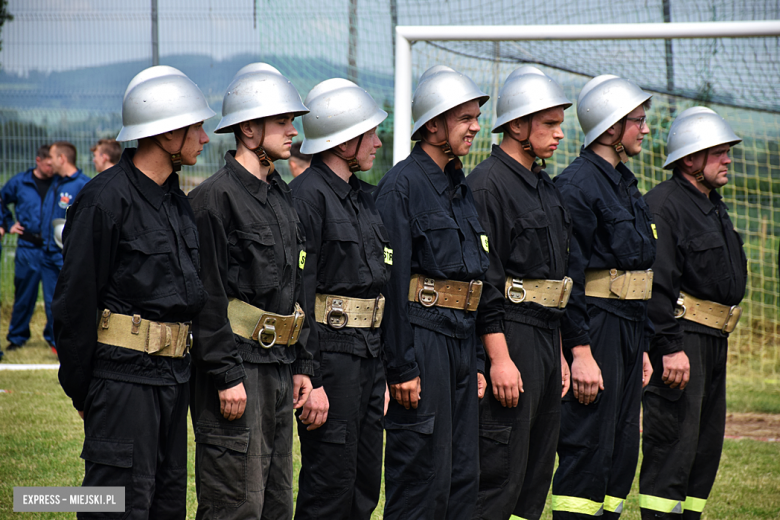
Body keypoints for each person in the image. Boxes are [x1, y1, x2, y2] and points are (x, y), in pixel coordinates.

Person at [54, 65, 215, 519]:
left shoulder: (177, 203)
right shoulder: (104, 201)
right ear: (166, 134)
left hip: (171, 382)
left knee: (166, 506)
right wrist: (86, 393)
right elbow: (73, 305)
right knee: (116, 508)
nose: (204, 138)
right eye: (196, 126)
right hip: (123, 385)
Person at [188, 63, 314, 519]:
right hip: (238, 370)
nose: (293, 130)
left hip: (279, 368)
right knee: (235, 504)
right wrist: (225, 375)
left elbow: (294, 286)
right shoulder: (212, 200)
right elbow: (206, 298)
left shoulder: (281, 195)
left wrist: (302, 363)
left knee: (277, 502)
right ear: (248, 128)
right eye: (282, 121)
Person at [374, 65, 491, 520]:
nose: (475, 126)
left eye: (475, 116)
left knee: (462, 475)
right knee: (421, 476)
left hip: (462, 345)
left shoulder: (461, 187)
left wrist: (479, 360)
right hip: (423, 345)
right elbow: (392, 283)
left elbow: (471, 283)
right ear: (433, 124)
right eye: (464, 118)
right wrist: (401, 367)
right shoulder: (401, 187)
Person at [467, 66, 573, 520]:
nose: (559, 134)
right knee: (500, 474)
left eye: (558, 124)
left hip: (547, 339)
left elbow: (555, 279)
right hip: (511, 338)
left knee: (534, 476)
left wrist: (563, 353)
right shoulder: (488, 186)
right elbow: (485, 283)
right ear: (516, 126)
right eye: (549, 124)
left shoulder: (545, 185)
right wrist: (499, 359)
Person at [551, 75, 656, 519]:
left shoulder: (625, 184)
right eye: (638, 121)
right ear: (611, 128)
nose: (645, 130)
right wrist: (580, 351)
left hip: (630, 330)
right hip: (597, 328)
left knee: (620, 451)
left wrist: (645, 345)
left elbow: (640, 272)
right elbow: (568, 278)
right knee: (587, 448)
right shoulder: (576, 187)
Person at [639, 107, 746, 520]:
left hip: (713, 343)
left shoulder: (711, 204)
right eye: (718, 152)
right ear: (690, 159)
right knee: (673, 450)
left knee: (703, 453)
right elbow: (656, 285)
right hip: (683, 343)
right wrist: (669, 346)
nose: (728, 159)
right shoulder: (664, 207)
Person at [291, 78, 389, 520]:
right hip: (331, 358)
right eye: (369, 133)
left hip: (368, 358)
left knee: (364, 484)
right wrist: (311, 376)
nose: (377, 142)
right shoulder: (308, 197)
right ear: (344, 138)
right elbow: (300, 291)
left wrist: (383, 372)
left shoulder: (364, 198)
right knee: (328, 486)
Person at [1, 144, 55, 351]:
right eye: (48, 165)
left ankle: (53, 337)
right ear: (38, 161)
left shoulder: (59, 183)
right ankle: (17, 337)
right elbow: (1, 200)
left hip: (52, 248)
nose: (52, 169)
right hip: (28, 248)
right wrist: (6, 224)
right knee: (24, 296)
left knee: (54, 298)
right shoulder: (20, 182)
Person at [42, 141, 90, 355]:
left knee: (69, 300)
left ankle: (72, 344)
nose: (48, 161)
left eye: (51, 157)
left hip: (67, 255)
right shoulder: (54, 182)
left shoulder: (83, 184)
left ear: (62, 158)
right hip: (46, 253)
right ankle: (55, 343)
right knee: (50, 301)